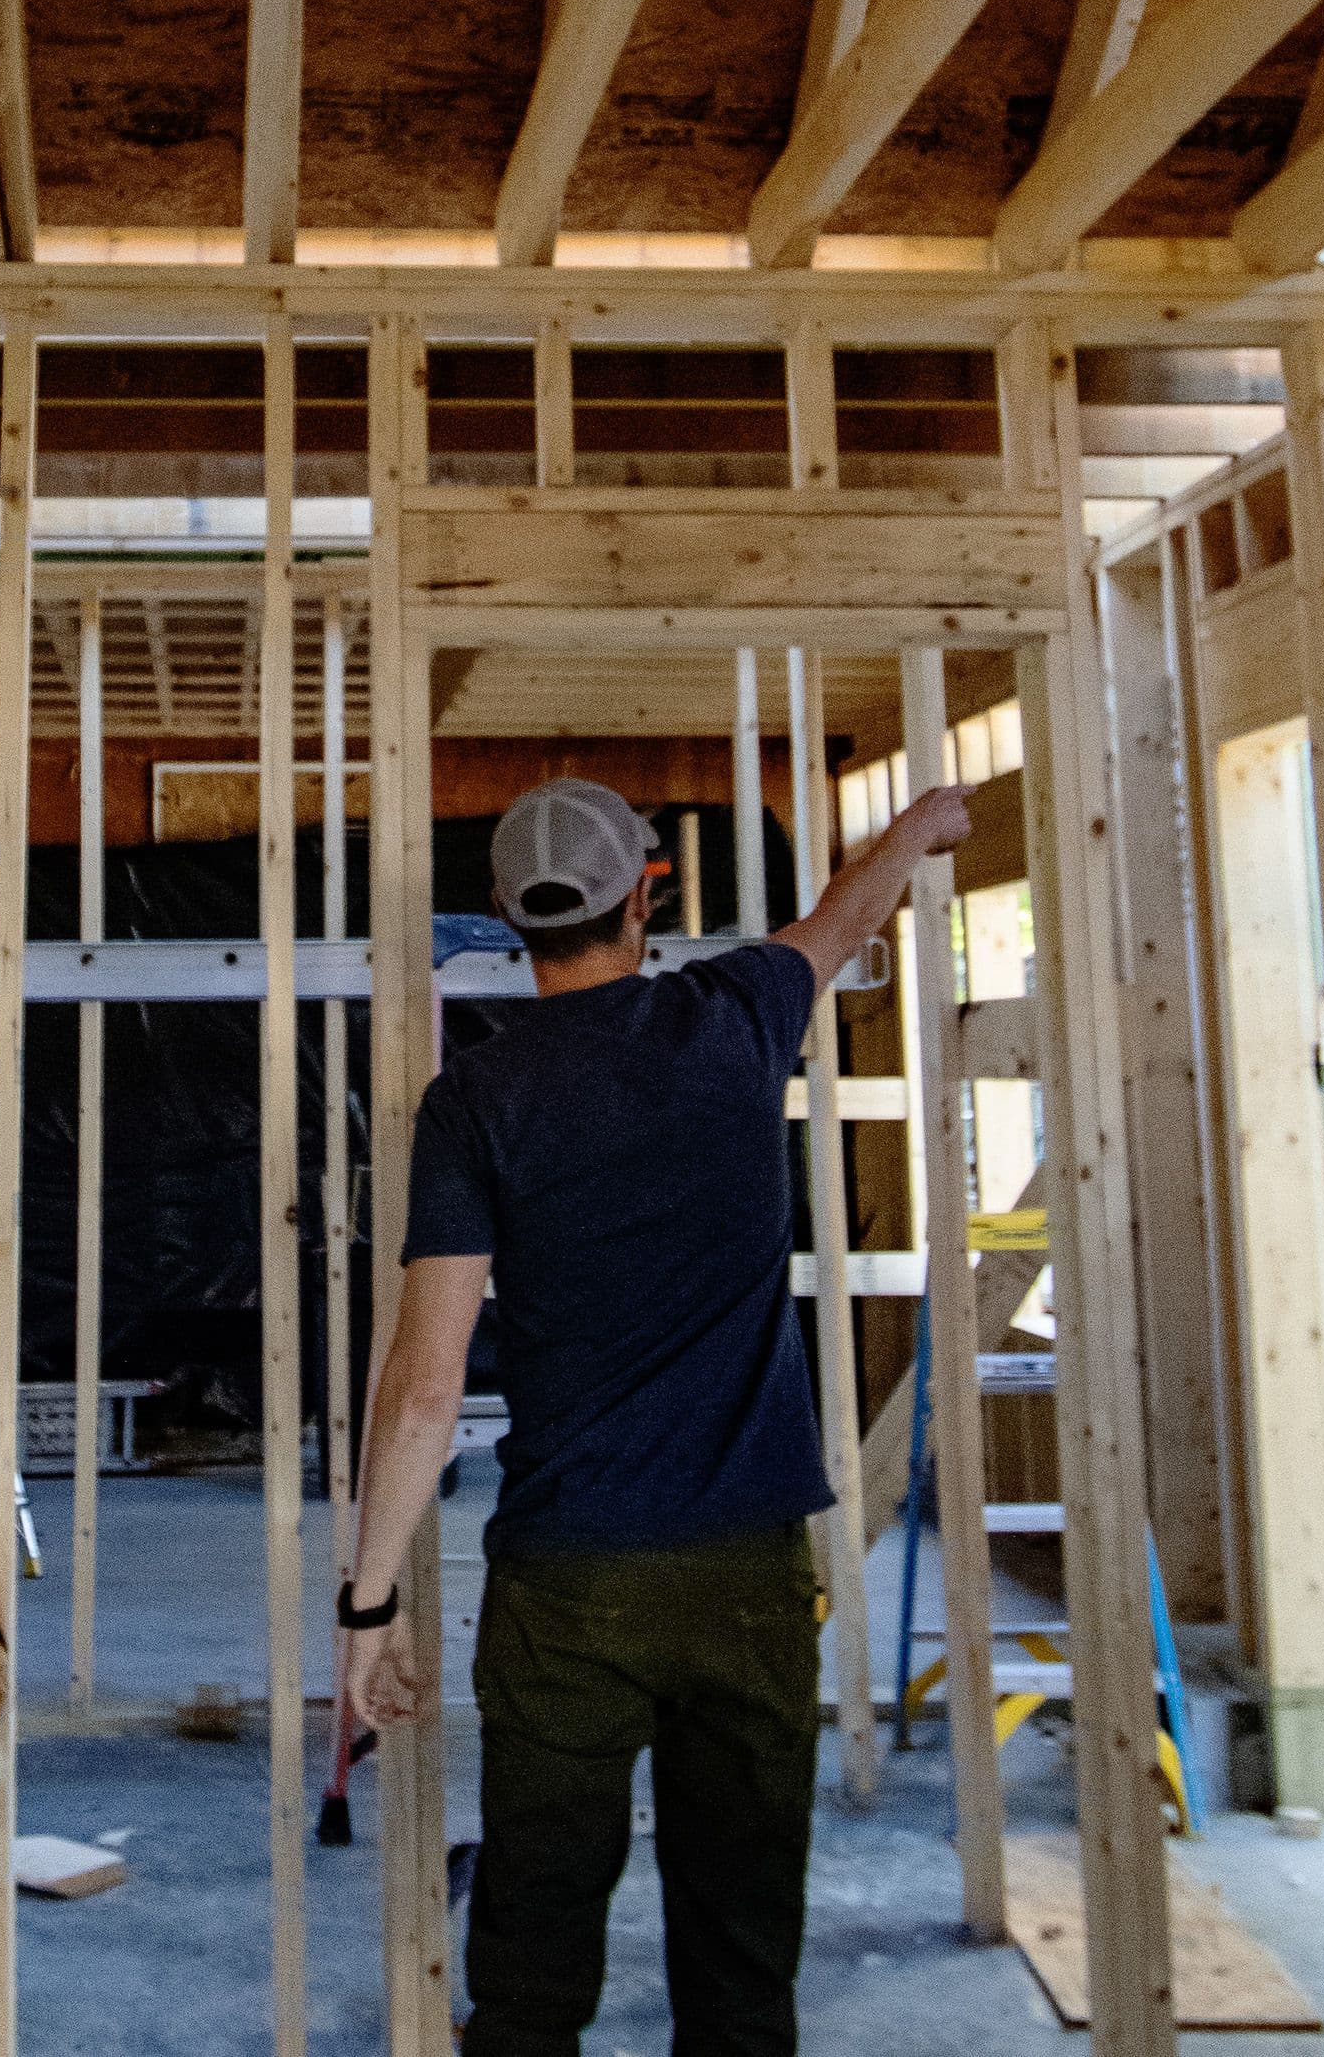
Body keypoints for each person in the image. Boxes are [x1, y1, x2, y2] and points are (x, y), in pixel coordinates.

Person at [341, 773, 971, 2057]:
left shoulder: (473, 1103)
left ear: (510, 920)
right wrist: (916, 829)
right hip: (745, 1572)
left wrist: (367, 1604)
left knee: (534, 1958)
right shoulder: (733, 1015)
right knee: (741, 1965)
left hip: (567, 1584)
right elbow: (841, 920)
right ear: (649, 893)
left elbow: (423, 1384)